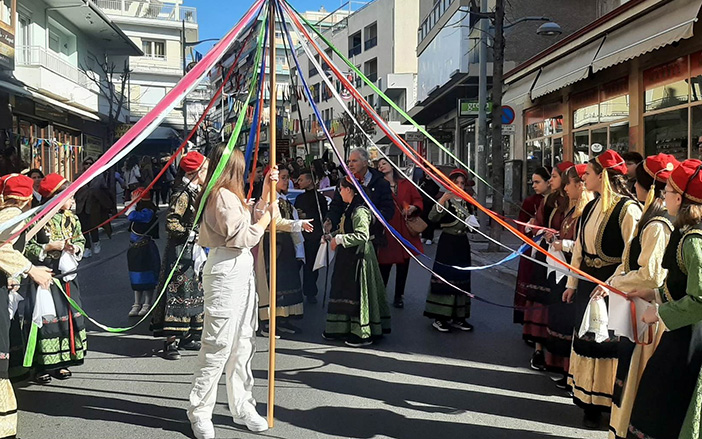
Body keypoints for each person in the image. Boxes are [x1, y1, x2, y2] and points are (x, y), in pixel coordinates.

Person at [187, 146, 277, 437]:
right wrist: (266, 218)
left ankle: (242, 405)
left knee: (243, 342)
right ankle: (200, 411)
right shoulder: (220, 195)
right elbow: (242, 236)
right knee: (218, 344)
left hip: (240, 268)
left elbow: (247, 220)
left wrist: (265, 195)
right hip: (226, 266)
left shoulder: (229, 194)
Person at [594, 154, 677, 439]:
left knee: (637, 378)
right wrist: (611, 281)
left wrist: (617, 282)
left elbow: (651, 275)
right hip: (639, 307)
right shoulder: (649, 218)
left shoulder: (657, 224)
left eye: (636, 181)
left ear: (646, 186)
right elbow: (631, 263)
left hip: (649, 315)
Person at [563, 150, 641, 428]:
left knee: (606, 341)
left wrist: (610, 285)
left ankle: (606, 399)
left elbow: (632, 255)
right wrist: (573, 282)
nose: (583, 178)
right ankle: (588, 399)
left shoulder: (627, 209)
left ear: (603, 176)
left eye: (588, 173)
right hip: (588, 281)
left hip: (611, 284)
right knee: (586, 336)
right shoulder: (590, 208)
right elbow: (580, 251)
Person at [624, 159, 702, 439]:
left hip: (689, 341)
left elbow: (700, 299)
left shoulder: (694, 240)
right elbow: (682, 286)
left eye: (667, 191)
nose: (663, 196)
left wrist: (659, 313)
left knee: (663, 408)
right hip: (683, 335)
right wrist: (653, 294)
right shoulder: (687, 234)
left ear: (680, 198)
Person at [0, 174, 53, 437]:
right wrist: (31, 269)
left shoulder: (10, 213)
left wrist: (11, 276)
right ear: (28, 197)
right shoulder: (10, 214)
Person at [24, 173, 88, 383]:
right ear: (56, 198)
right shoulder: (36, 220)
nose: (72, 202)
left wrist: (74, 247)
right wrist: (49, 247)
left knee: (67, 316)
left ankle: (61, 362)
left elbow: (80, 238)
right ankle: (40, 365)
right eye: (69, 197)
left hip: (67, 276)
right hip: (45, 276)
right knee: (45, 319)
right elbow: (26, 248)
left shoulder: (72, 219)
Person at [151, 151, 208, 361]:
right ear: (195, 172)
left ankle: (188, 335)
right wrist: (189, 232)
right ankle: (170, 341)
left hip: (194, 249)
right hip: (180, 251)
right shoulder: (182, 194)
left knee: (194, 289)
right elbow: (171, 222)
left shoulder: (197, 191)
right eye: (204, 170)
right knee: (177, 291)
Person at [323, 176, 391, 346]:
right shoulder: (350, 208)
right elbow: (345, 228)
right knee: (343, 290)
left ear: (349, 190)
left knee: (357, 293)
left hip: (359, 257)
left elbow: (362, 235)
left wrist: (338, 239)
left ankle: (362, 333)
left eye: (341, 189)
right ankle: (340, 328)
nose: (339, 192)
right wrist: (331, 235)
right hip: (348, 256)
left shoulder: (360, 210)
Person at [545, 164, 592, 387]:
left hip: (574, 274)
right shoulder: (572, 211)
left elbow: (586, 247)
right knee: (561, 320)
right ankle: (562, 367)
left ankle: (569, 372)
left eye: (568, 184)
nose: (564, 190)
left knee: (570, 324)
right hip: (561, 271)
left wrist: (564, 244)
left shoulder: (585, 212)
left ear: (580, 185)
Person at [255, 166, 312, 335]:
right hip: (272, 244)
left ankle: (284, 317)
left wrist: (299, 250)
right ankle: (268, 321)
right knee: (273, 281)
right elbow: (275, 222)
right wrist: (298, 224)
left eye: (288, 177)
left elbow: (291, 221)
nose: (287, 181)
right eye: (283, 177)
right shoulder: (268, 200)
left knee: (287, 280)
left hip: (285, 245)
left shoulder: (285, 202)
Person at [527, 162, 572, 371]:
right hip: (548, 258)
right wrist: (539, 229)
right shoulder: (549, 200)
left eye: (554, 176)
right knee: (544, 304)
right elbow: (539, 222)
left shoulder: (575, 203)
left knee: (560, 311)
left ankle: (562, 362)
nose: (551, 180)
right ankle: (539, 350)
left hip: (566, 261)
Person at [423, 169, 475, 332]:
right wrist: (442, 201)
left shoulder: (467, 201)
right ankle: (440, 317)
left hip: (462, 243)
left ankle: (459, 316)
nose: (459, 186)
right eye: (456, 182)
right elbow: (432, 217)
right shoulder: (446, 200)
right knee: (445, 278)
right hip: (448, 243)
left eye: (462, 183)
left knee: (462, 277)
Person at [376, 157, 423, 308]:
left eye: (384, 163)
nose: (381, 166)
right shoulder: (378, 185)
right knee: (384, 265)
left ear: (392, 165)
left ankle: (399, 296)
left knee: (403, 265)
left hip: (404, 230)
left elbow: (418, 200)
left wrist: (414, 208)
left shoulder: (406, 184)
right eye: (379, 165)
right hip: (388, 229)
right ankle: (381, 295)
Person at [324, 148, 394, 249]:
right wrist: (330, 219)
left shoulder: (381, 183)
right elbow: (336, 205)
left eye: (354, 161)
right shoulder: (344, 182)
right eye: (349, 161)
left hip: (371, 239)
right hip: (347, 238)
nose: (350, 165)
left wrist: (370, 219)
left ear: (365, 162)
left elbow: (388, 209)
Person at [513, 167, 551, 325]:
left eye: (537, 182)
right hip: (530, 249)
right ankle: (528, 324)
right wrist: (529, 227)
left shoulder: (556, 200)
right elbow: (520, 227)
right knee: (529, 285)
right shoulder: (530, 202)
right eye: (532, 182)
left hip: (550, 250)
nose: (534, 185)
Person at [125, 187, 160, 318]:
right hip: (134, 249)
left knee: (147, 276)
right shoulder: (140, 209)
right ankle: (136, 303)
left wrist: (132, 206)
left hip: (145, 248)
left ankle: (147, 303)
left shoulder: (148, 211)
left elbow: (133, 216)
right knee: (136, 276)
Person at [295, 171, 328, 304]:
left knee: (311, 266)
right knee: (297, 265)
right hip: (299, 236)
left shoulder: (319, 198)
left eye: (302, 180)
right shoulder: (299, 198)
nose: (299, 182)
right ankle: (295, 291)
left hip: (313, 236)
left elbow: (323, 215)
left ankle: (310, 292)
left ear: (309, 181)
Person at [75, 157, 113, 258]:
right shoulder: (78, 176)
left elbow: (104, 190)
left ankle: (96, 242)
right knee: (83, 227)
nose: (88, 165)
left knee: (93, 225)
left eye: (90, 163)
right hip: (81, 205)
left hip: (94, 205)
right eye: (86, 163)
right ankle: (87, 248)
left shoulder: (99, 177)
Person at [418, 171, 440, 245]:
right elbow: (418, 190)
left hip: (431, 203)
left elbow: (437, 190)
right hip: (423, 203)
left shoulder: (435, 181)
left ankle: (430, 237)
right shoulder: (422, 180)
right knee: (423, 219)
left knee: (430, 220)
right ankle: (424, 235)